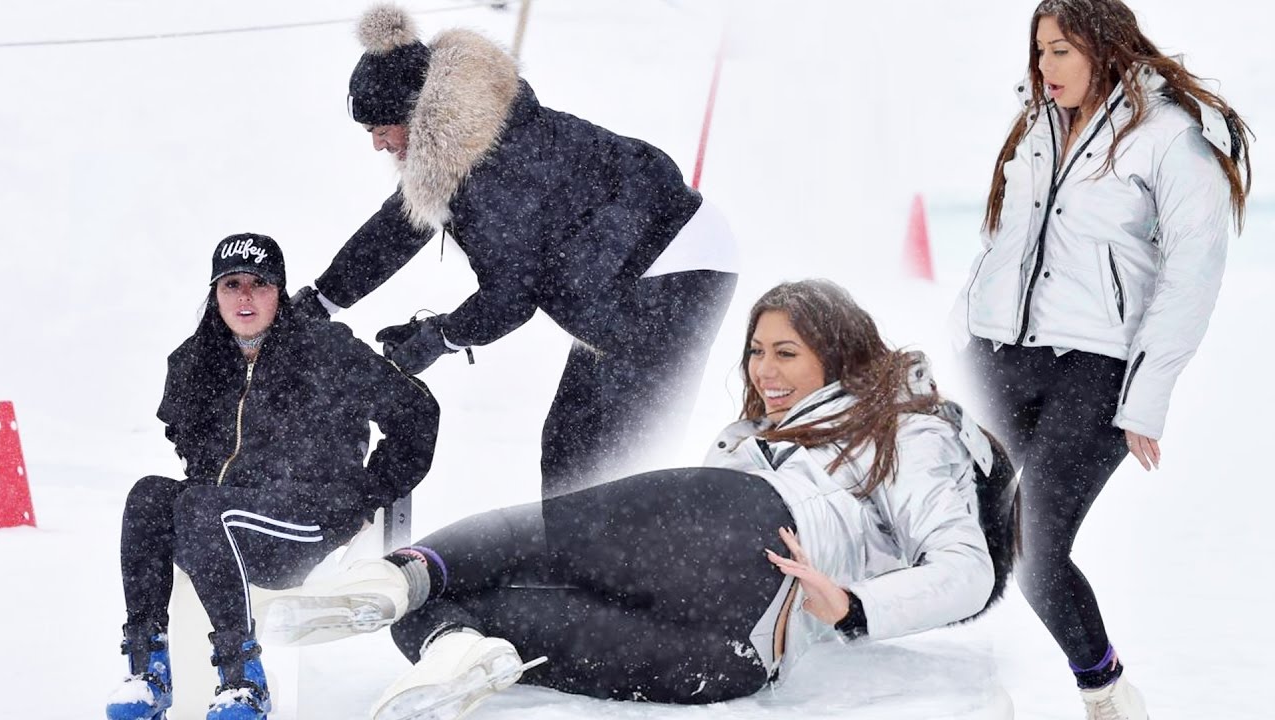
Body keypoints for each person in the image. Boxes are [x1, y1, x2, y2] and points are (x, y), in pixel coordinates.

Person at [267, 279, 1017, 720]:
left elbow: (966, 569)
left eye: (787, 352)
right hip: (733, 658)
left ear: (841, 353)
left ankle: (397, 571)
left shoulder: (904, 428)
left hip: (755, 534)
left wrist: (851, 605)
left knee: (544, 535)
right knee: (452, 614)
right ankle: (452, 643)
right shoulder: (745, 441)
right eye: (756, 352)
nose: (764, 371)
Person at [290, 3, 739, 498]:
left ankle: (633, 544)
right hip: (628, 270)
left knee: (616, 455)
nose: (378, 145)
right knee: (571, 449)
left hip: (674, 265)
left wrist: (439, 337)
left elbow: (512, 295)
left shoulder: (493, 167)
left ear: (417, 114)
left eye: (381, 130)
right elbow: (399, 227)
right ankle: (580, 544)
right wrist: (323, 299)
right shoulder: (464, 139)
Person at [948, 1, 1252, 717]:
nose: (1045, 67)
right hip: (998, 356)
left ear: (1106, 47)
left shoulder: (1170, 136)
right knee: (949, 516)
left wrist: (1146, 395)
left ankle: (1106, 692)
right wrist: (963, 336)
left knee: (1035, 551)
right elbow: (1001, 244)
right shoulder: (1037, 125)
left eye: (1061, 51)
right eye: (1040, 51)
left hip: (1095, 371)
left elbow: (1191, 276)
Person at [106, 233, 441, 720]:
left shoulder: (325, 350)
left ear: (279, 292)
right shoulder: (194, 362)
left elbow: (416, 414)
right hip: (223, 531)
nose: (244, 297)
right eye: (232, 284)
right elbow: (189, 445)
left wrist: (366, 496)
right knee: (148, 496)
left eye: (259, 284)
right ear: (215, 293)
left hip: (306, 523)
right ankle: (148, 672)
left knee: (201, 506)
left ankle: (243, 682)